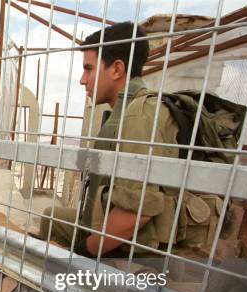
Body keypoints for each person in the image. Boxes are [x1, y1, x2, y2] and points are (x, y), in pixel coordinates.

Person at [39, 22, 221, 259]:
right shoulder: (129, 110)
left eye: (89, 69)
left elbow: (134, 215)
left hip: (136, 246)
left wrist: (83, 252)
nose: (83, 80)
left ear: (116, 69)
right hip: (107, 221)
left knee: (52, 237)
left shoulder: (139, 115)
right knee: (51, 218)